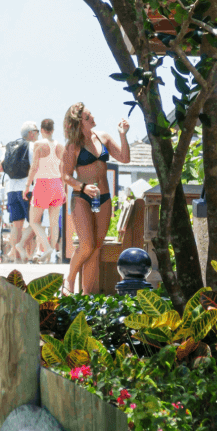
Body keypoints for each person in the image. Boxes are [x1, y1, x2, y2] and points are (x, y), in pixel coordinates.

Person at [61, 102, 132, 293]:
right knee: (86, 245)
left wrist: (122, 135)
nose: (92, 118)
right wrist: (82, 187)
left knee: (96, 248)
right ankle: (69, 279)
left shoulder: (104, 137)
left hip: (104, 197)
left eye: (91, 114)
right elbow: (65, 176)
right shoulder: (73, 146)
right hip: (82, 198)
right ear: (79, 122)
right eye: (87, 117)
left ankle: (86, 296)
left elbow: (125, 158)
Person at [0, 121, 37, 262]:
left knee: (16, 225)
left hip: (11, 190)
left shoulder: (10, 147)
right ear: (31, 133)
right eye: (37, 131)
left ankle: (16, 258)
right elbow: (35, 167)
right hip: (27, 188)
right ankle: (29, 254)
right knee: (35, 223)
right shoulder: (32, 146)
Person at [27, 116, 63, 262]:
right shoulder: (60, 146)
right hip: (57, 184)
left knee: (34, 221)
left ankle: (47, 247)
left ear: (42, 130)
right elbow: (62, 168)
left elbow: (34, 166)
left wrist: (27, 185)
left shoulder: (38, 144)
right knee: (54, 222)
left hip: (42, 183)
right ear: (53, 130)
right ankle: (52, 251)